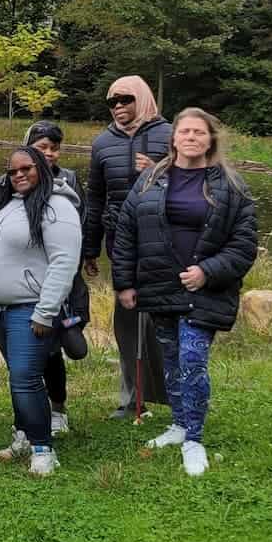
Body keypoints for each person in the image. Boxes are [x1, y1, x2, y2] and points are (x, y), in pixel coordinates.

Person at [112, 108, 257, 476]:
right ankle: (178, 423)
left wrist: (208, 272)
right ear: (173, 138)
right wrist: (125, 283)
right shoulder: (150, 180)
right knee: (172, 360)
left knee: (193, 359)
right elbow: (127, 231)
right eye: (184, 131)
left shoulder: (232, 186)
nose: (191, 137)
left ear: (210, 140)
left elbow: (243, 244)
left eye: (199, 132)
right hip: (161, 286)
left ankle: (194, 437)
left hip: (205, 289)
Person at [0, 145, 82, 476]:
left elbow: (64, 262)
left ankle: (43, 449)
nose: (19, 175)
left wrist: (45, 311)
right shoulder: (8, 204)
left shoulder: (57, 206)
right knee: (19, 375)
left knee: (25, 377)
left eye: (27, 168)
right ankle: (23, 433)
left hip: (30, 308)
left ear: (42, 168)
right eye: (12, 171)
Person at [83, 76, 172, 417]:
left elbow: (196, 185)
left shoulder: (170, 135)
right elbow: (95, 198)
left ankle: (174, 394)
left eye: (125, 100)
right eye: (112, 102)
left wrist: (160, 173)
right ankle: (131, 399)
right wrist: (90, 248)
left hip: (164, 245)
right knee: (126, 321)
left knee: (163, 321)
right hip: (120, 244)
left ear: (142, 98)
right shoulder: (103, 143)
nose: (118, 107)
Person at [22, 121, 89, 435]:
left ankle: (58, 409)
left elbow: (82, 224)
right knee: (34, 352)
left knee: (57, 350)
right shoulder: (14, 180)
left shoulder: (70, 181)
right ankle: (29, 413)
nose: (48, 153)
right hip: (28, 280)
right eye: (41, 147)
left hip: (64, 280)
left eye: (53, 148)